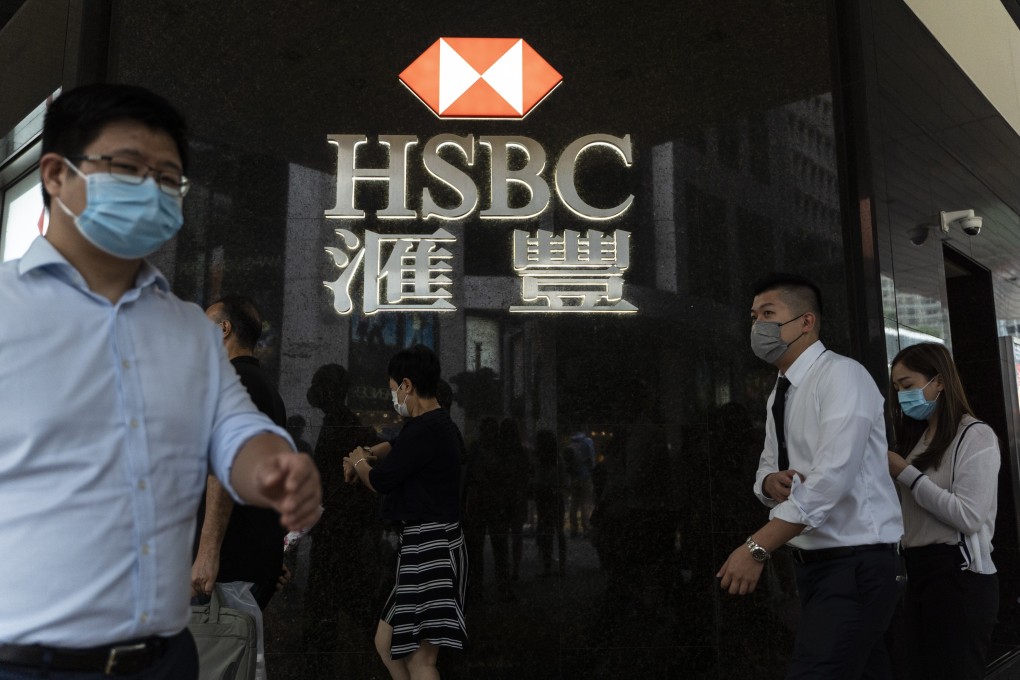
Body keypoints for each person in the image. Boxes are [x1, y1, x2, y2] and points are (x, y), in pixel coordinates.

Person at [0, 83, 321, 679]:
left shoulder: (188, 332)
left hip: (165, 658)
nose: (150, 191)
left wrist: (273, 467)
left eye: (168, 179)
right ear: (55, 175)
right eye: (127, 169)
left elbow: (234, 433)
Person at [716, 273, 903, 679]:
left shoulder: (842, 375)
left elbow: (830, 479)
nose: (758, 327)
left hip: (855, 566)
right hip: (816, 565)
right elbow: (767, 465)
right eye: (753, 317)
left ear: (806, 321)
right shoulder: (780, 390)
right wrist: (768, 483)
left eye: (769, 314)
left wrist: (756, 548)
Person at [343, 345, 467, 680]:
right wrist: (368, 452)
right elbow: (396, 446)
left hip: (432, 549)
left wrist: (357, 462)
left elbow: (381, 480)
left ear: (406, 385)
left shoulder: (428, 428)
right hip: (424, 548)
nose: (393, 397)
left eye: (392, 388)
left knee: (420, 660)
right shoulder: (434, 426)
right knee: (387, 643)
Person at [887, 342, 1000, 680]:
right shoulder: (919, 439)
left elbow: (968, 515)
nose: (902, 396)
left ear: (939, 381)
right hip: (918, 573)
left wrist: (905, 474)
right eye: (896, 389)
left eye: (907, 386)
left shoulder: (975, 435)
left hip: (958, 575)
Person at [192, 295, 289, 611]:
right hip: (248, 564)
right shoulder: (265, 391)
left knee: (214, 655)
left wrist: (207, 552)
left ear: (223, 329)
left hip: (227, 568)